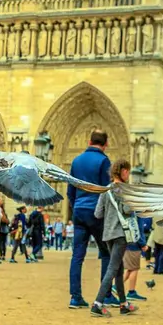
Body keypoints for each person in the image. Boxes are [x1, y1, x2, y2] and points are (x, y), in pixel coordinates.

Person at [67, 131, 112, 308]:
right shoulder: (103, 161)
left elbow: (70, 191)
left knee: (77, 256)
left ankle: (75, 297)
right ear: (106, 144)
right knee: (107, 253)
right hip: (96, 212)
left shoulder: (76, 161)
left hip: (78, 210)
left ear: (89, 141)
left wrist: (76, 205)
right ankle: (106, 295)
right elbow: (105, 190)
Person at [90, 160, 140, 317]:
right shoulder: (124, 190)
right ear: (123, 171)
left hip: (108, 234)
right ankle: (97, 303)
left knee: (118, 269)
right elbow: (127, 210)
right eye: (128, 171)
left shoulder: (106, 190)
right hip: (120, 233)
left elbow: (97, 214)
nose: (129, 174)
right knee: (113, 268)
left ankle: (123, 304)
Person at [0, 194, 9, 264]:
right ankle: (3, 255)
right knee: (3, 243)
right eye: (0, 200)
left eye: (2, 200)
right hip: (4, 229)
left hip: (1, 228)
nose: (1, 201)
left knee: (1, 243)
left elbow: (5, 220)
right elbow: (6, 220)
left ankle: (1, 255)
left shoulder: (1, 210)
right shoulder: (2, 210)